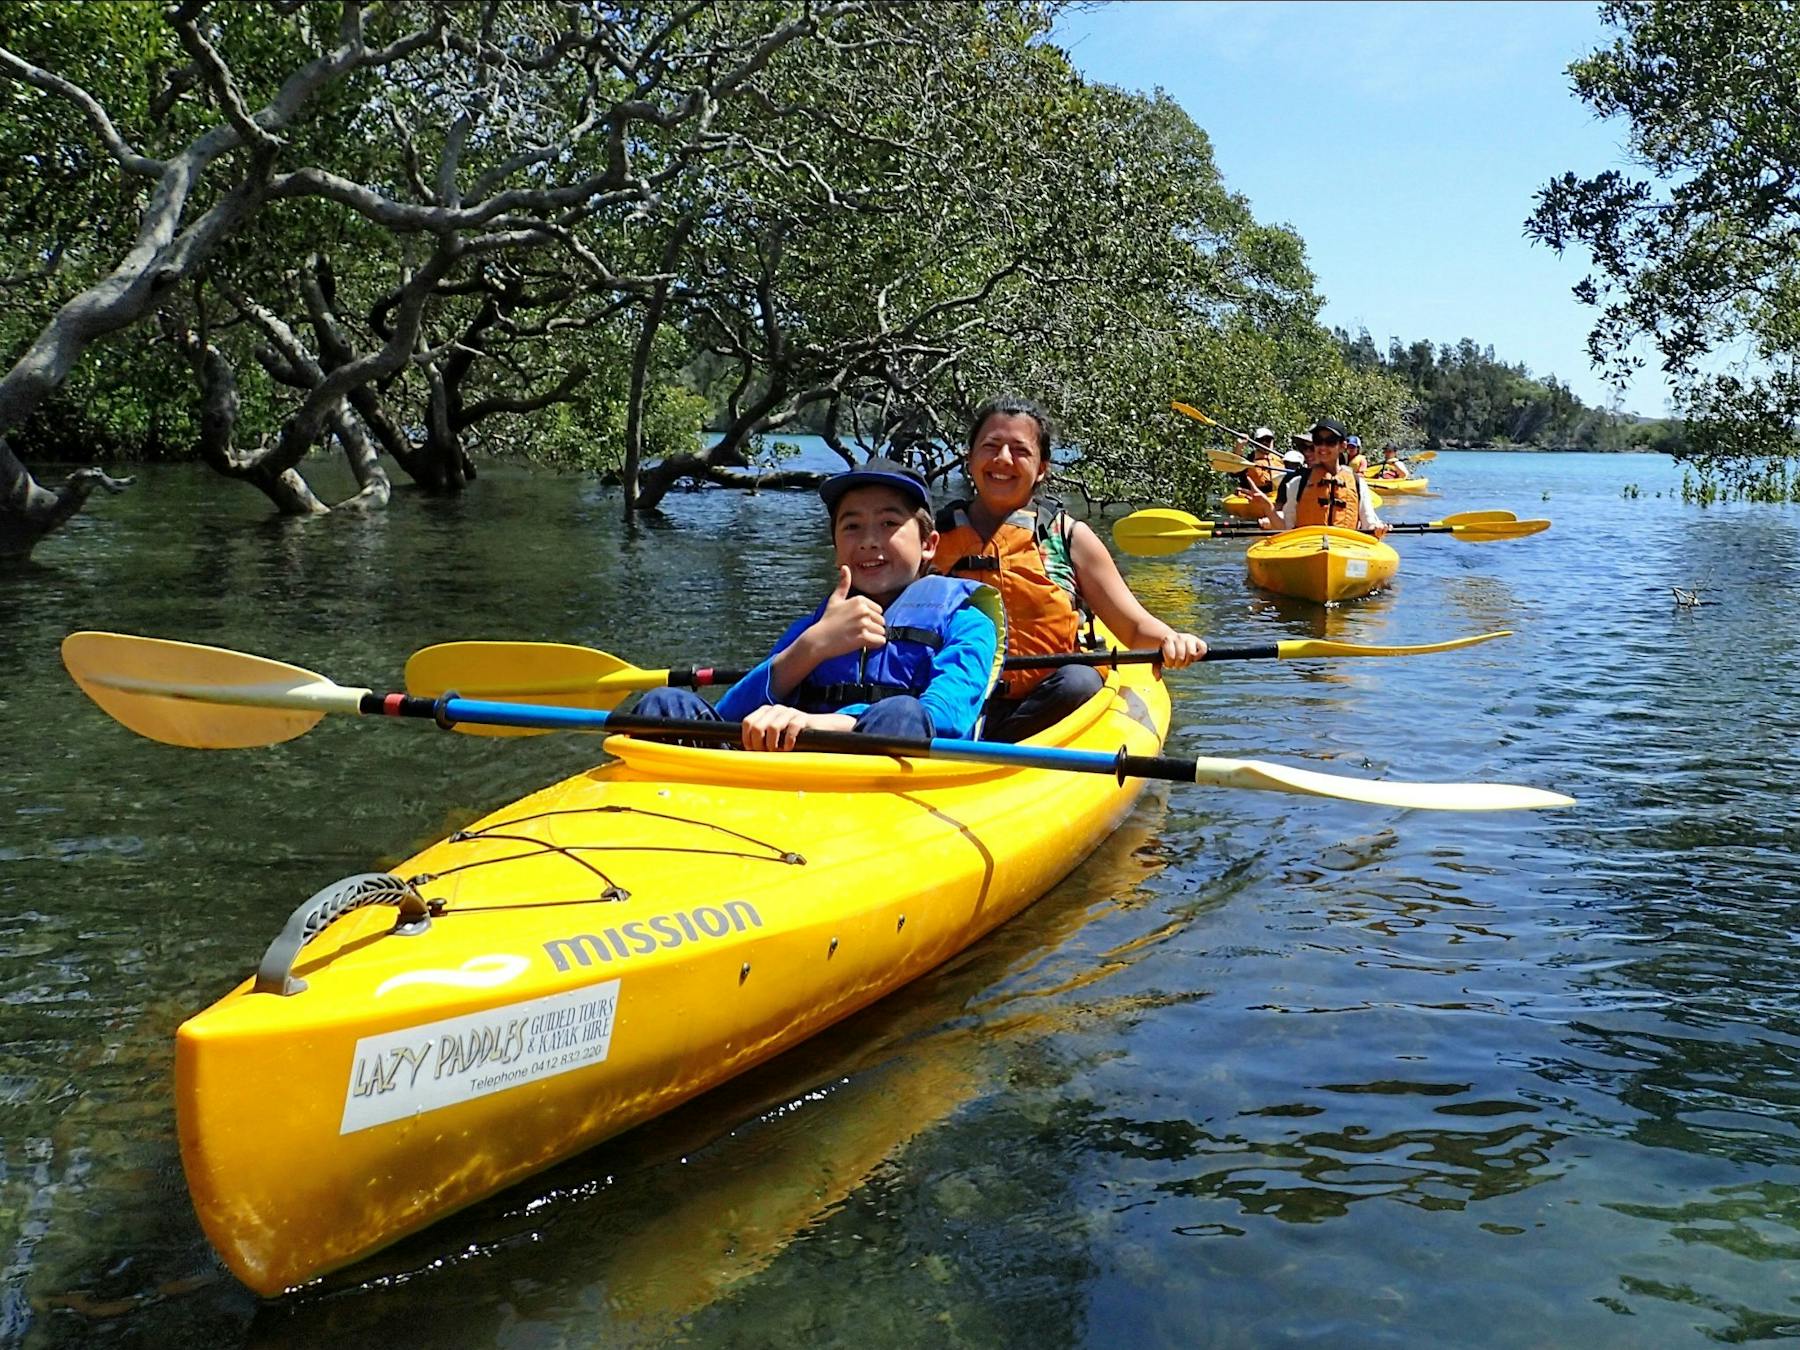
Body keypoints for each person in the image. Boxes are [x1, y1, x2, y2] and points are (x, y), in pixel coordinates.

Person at [634, 458, 1001, 750]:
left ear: (929, 543)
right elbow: (731, 716)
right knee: (664, 705)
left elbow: (945, 718)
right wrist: (812, 647)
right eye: (851, 526)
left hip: (883, 779)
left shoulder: (967, 623)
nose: (869, 541)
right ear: (835, 545)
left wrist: (825, 723)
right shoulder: (815, 627)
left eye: (889, 523)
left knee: (902, 712)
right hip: (796, 770)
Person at [934, 396, 1207, 744]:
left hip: (1045, 701)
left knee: (1080, 681)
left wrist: (1174, 639)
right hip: (951, 696)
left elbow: (1133, 626)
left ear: (1042, 467)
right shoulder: (930, 537)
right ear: (970, 458)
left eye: (1020, 450)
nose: (1003, 459)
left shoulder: (1068, 537)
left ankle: (989, 748)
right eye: (991, 446)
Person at [1245, 418, 1388, 537]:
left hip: (1345, 547)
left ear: (1343, 446)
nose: (1323, 447)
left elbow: (1369, 523)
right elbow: (1286, 529)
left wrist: (1378, 528)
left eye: (1330, 441)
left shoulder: (1358, 483)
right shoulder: (1297, 483)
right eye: (1318, 441)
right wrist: (1268, 508)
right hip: (1307, 546)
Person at [1238, 425, 1279, 495]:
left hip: (1275, 497)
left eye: (1268, 440)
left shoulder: (1281, 460)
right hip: (1254, 496)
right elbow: (1234, 472)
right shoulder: (1248, 460)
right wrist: (1239, 446)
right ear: (1255, 443)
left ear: (1272, 442)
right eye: (1261, 440)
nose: (1265, 443)